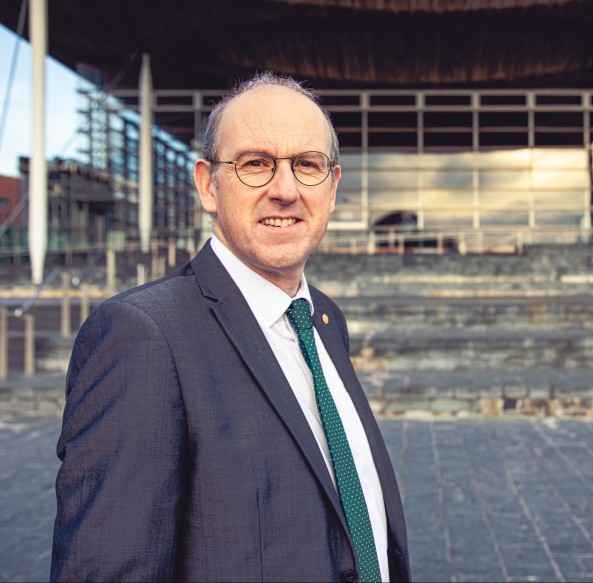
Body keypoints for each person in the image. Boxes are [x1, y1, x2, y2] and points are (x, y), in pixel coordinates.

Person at [51, 72, 410, 583]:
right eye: (255, 164)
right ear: (208, 185)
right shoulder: (143, 336)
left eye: (307, 165)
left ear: (332, 189)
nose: (285, 190)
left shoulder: (324, 320)